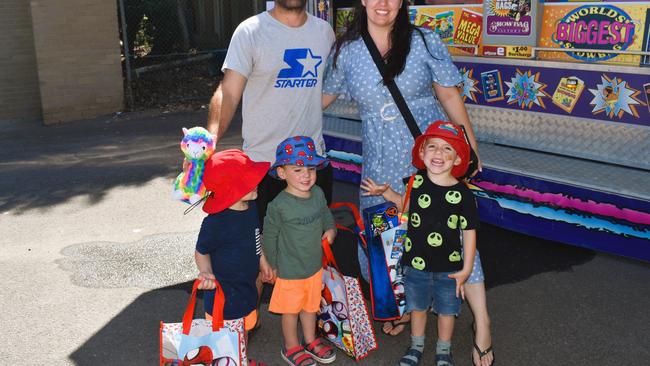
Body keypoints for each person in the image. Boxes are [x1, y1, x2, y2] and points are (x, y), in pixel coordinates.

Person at [322, 2, 493, 365]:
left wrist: (470, 146)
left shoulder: (424, 40)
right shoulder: (346, 50)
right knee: (386, 242)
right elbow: (319, 99)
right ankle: (400, 307)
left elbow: (448, 94)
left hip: (430, 160)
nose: (383, 3)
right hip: (379, 163)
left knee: (455, 238)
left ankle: (482, 323)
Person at [207, 0, 337, 220]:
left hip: (310, 167)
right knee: (264, 251)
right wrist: (208, 142)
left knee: (312, 249)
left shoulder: (324, 32)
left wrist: (308, 107)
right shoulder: (250, 31)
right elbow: (228, 93)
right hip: (262, 169)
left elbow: (331, 87)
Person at [362, 121, 478, 366]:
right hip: (415, 263)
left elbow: (469, 232)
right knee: (418, 307)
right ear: (422, 153)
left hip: (450, 268)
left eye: (448, 149)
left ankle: (443, 351)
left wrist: (466, 269)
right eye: (433, 146)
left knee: (447, 311)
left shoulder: (464, 194)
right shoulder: (415, 183)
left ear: (458, 160)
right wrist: (386, 193)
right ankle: (416, 346)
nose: (438, 153)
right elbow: (405, 207)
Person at [194, 149, 274, 366]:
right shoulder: (215, 222)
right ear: (230, 190)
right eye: (248, 180)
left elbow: (255, 235)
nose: (257, 182)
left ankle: (242, 359)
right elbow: (201, 250)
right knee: (226, 342)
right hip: (223, 296)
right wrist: (205, 272)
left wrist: (262, 261)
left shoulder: (250, 207)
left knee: (244, 330)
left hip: (246, 289)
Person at [262, 136, 337, 366]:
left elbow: (325, 213)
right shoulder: (279, 205)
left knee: (310, 306)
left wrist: (331, 229)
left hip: (314, 266)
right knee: (290, 311)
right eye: (297, 169)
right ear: (282, 173)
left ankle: (310, 340)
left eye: (311, 169)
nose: (306, 175)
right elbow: (270, 236)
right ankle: (292, 346)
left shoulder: (318, 194)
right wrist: (271, 265)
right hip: (289, 270)